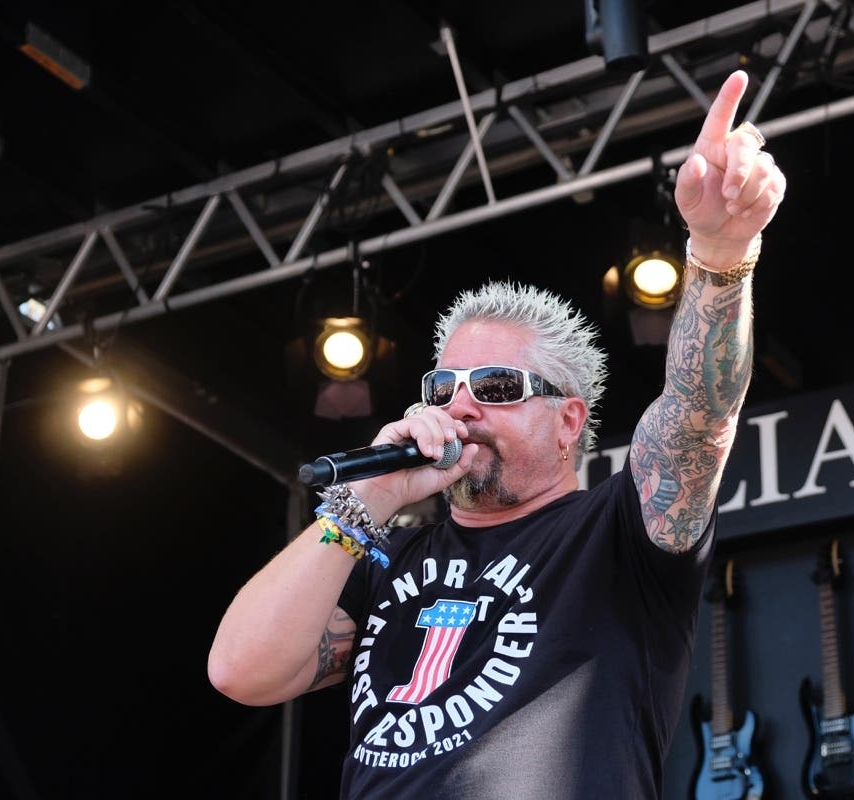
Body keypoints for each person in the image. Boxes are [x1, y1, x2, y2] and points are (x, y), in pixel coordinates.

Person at [208, 69, 785, 799]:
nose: (463, 407)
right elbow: (241, 673)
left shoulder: (615, 533)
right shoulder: (388, 556)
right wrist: (365, 503)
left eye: (498, 388)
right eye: (443, 389)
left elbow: (699, 413)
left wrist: (719, 256)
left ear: (568, 420)